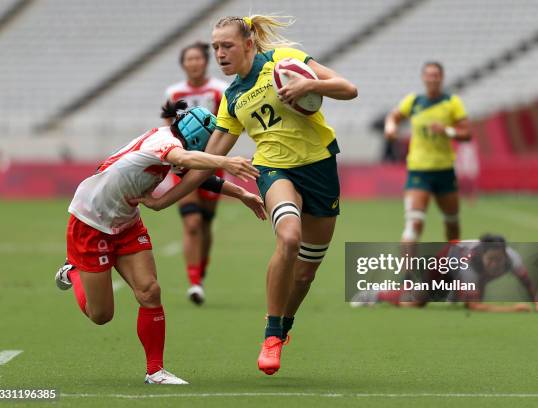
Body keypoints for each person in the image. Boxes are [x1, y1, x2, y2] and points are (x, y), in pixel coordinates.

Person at [131, 15, 357, 376]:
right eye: (215, 47)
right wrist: (163, 200)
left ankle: (284, 328)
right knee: (289, 236)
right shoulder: (232, 99)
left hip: (321, 170)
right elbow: (207, 164)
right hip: (273, 170)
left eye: (227, 46)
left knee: (304, 276)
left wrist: (306, 86)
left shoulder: (284, 60)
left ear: (249, 44)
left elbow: (348, 88)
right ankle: (270, 334)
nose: (219, 54)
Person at [54, 101, 264, 384]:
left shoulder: (174, 147)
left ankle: (155, 371)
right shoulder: (165, 142)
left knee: (150, 291)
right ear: (195, 138)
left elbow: (197, 176)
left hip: (126, 222)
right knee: (101, 315)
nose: (205, 152)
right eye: (205, 147)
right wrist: (225, 161)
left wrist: (242, 194)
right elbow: (189, 161)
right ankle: (73, 271)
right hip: (91, 222)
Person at [163, 42, 230, 305]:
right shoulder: (174, 92)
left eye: (197, 59)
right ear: (183, 63)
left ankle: (200, 271)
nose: (193, 63)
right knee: (191, 223)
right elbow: (168, 128)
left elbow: (231, 125)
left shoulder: (220, 91)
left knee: (205, 223)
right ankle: (194, 283)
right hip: (184, 164)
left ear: (205, 62)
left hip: (213, 163)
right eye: (188, 59)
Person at [351, 234, 538, 314]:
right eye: (491, 260)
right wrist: (513, 309)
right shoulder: (469, 264)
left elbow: (526, 281)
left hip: (469, 272)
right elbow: (473, 307)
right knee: (415, 302)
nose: (495, 264)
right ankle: (376, 293)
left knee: (475, 288)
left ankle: (454, 293)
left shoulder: (511, 258)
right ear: (482, 255)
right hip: (446, 261)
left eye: (498, 260)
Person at [384, 62, 470, 244]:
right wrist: (390, 127)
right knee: (414, 223)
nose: (432, 79)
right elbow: (393, 116)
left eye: (436, 75)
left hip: (444, 170)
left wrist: (447, 130)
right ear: (423, 78)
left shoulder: (452, 103)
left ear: (442, 78)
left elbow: (467, 134)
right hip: (419, 171)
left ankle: (453, 264)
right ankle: (407, 272)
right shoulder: (414, 101)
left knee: (452, 223)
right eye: (429, 75)